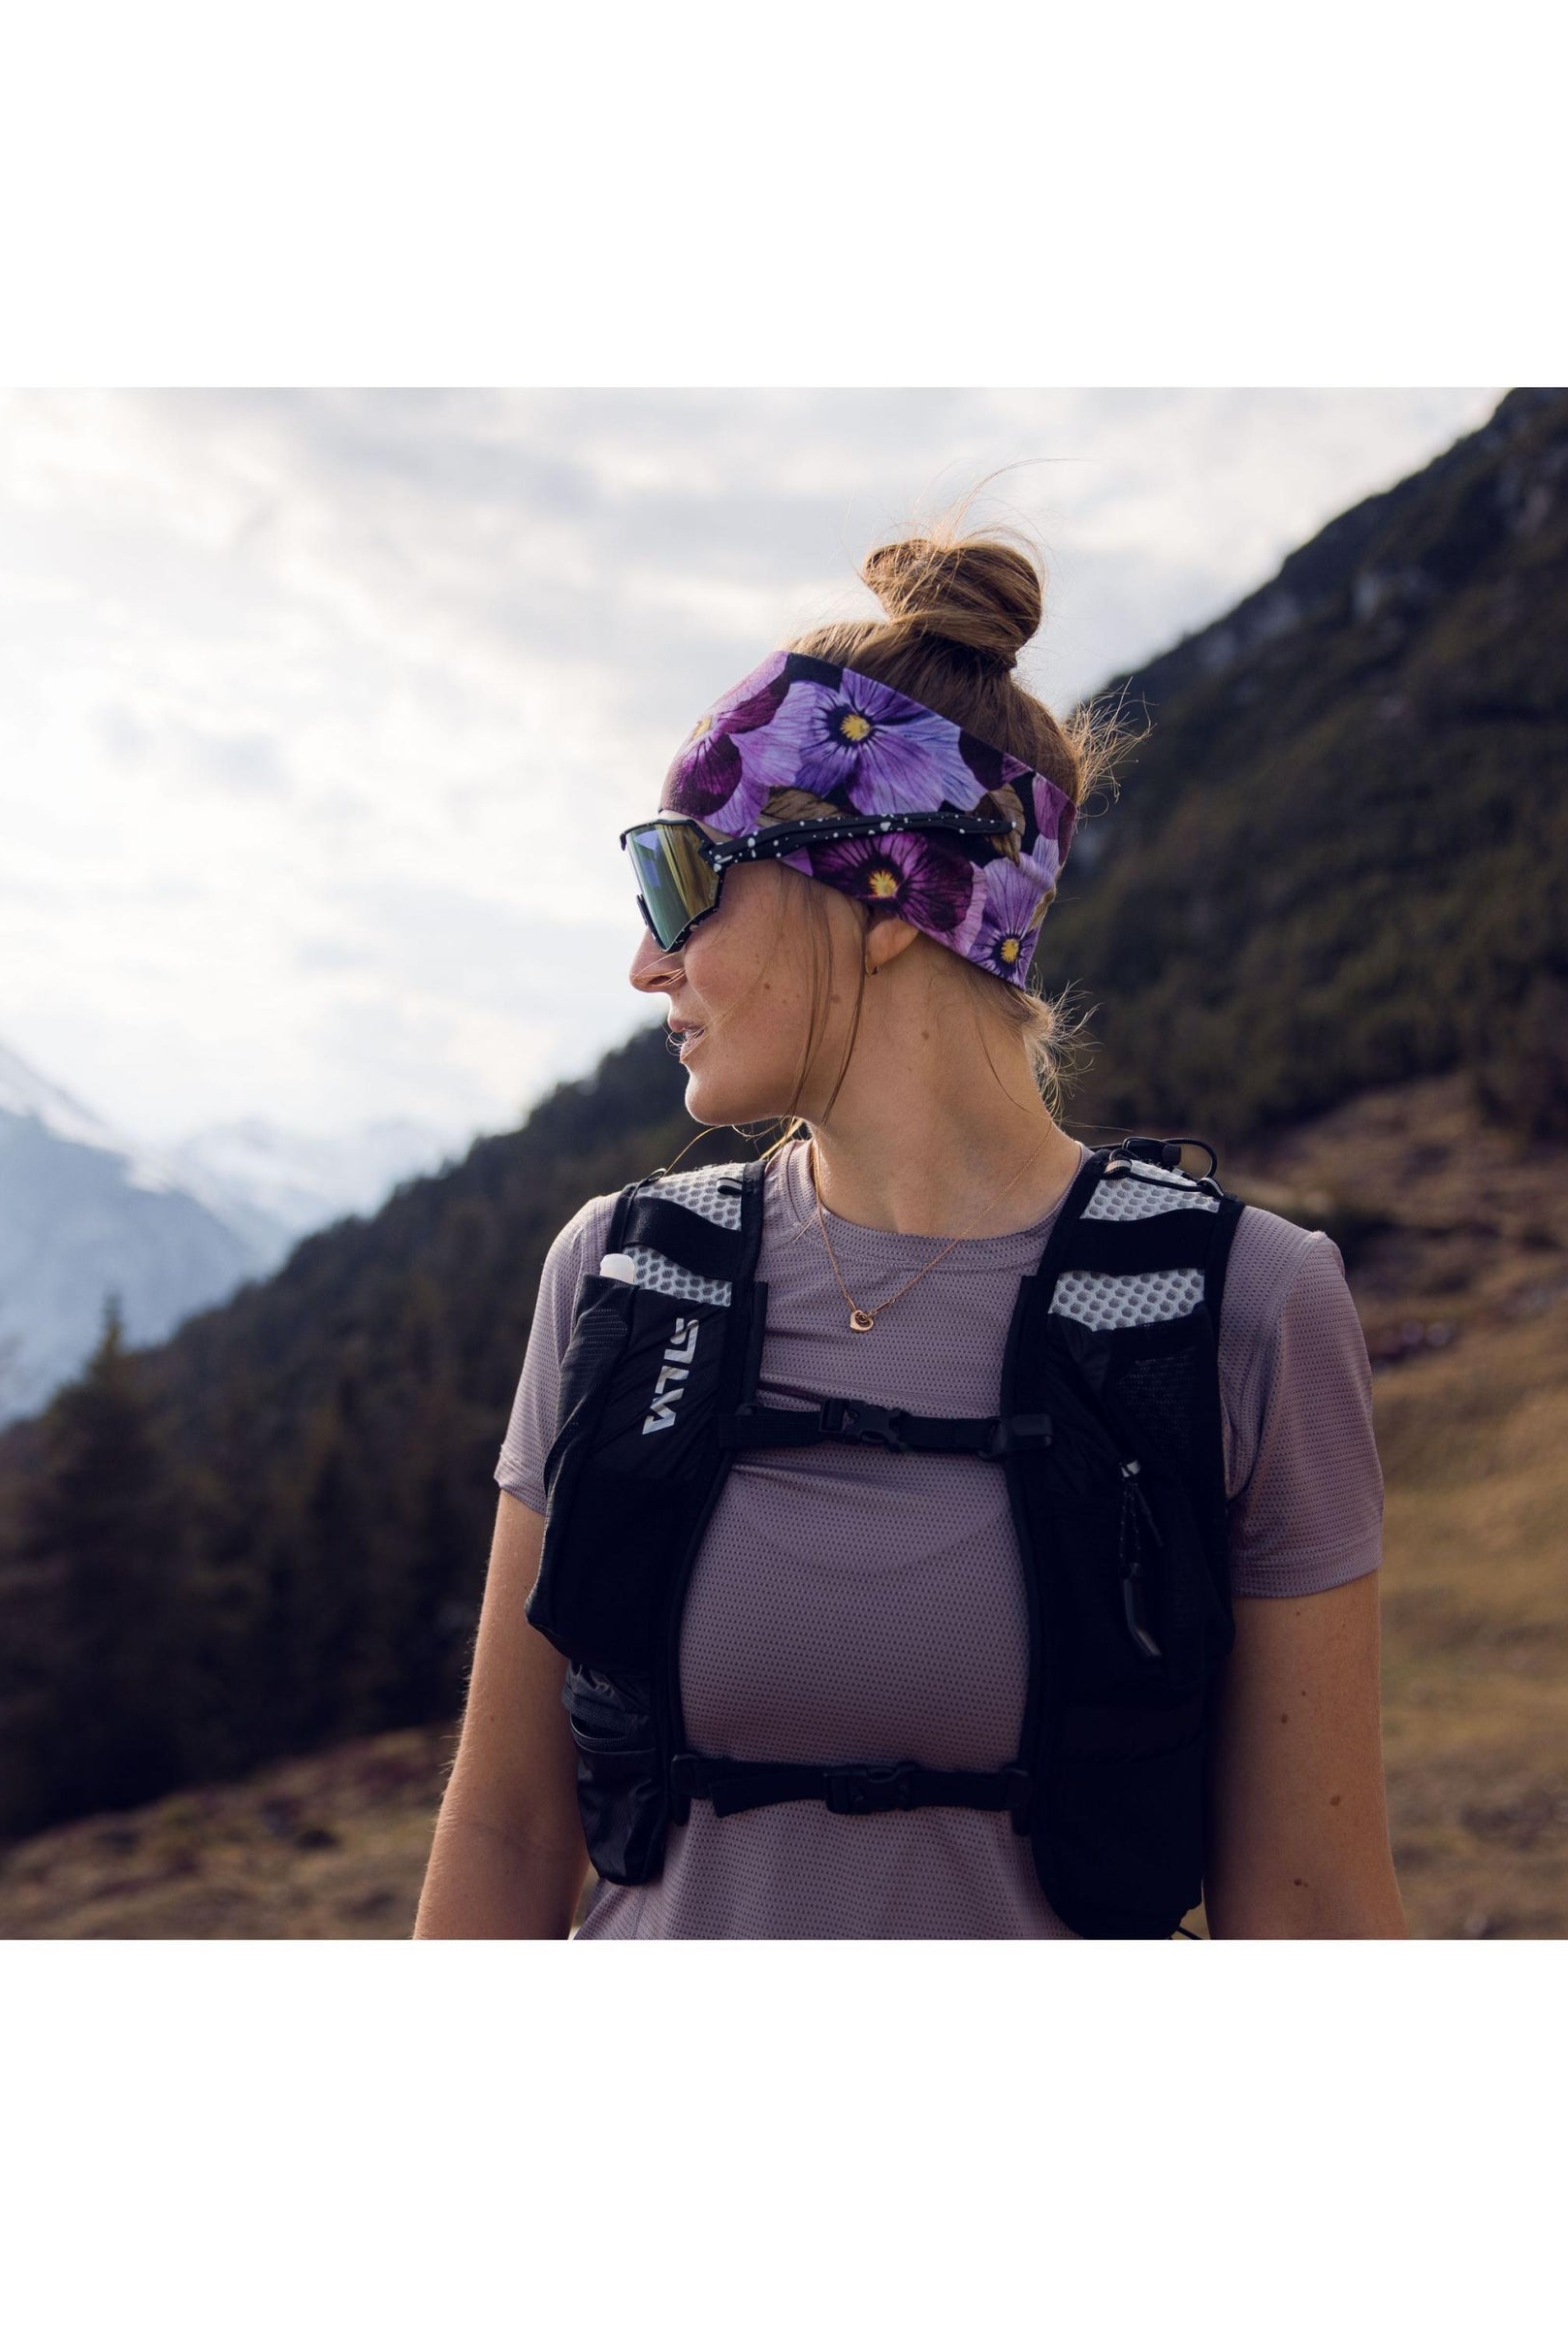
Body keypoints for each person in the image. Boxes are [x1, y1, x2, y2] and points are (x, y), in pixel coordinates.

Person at [414, 526, 1405, 1939]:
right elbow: (508, 1833)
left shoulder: (1248, 1305)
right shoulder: (618, 1275)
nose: (645, 960)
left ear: (884, 893)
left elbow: (1314, 1908)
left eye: (681, 876)